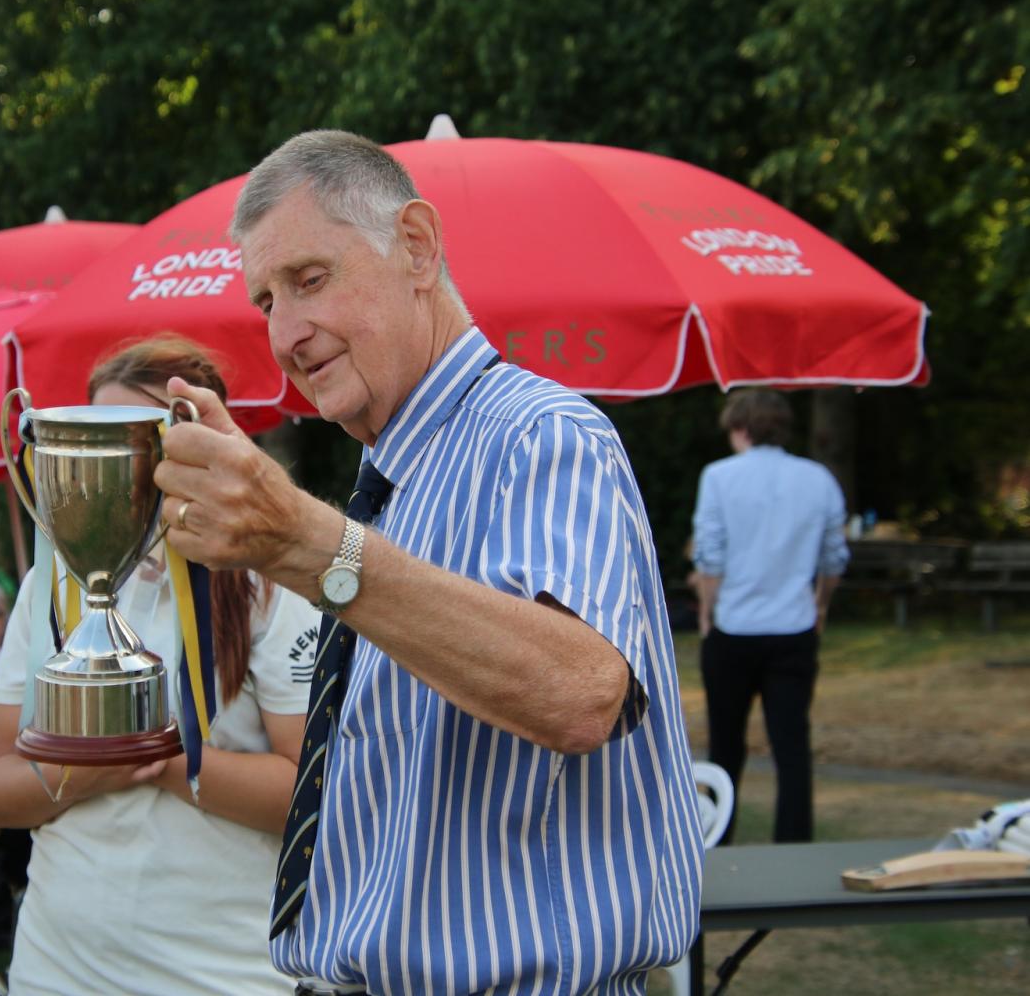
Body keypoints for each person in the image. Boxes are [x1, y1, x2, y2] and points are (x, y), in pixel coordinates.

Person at [149, 130, 705, 994]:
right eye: (265, 301)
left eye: (309, 279)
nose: (286, 334)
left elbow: (581, 692)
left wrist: (307, 543)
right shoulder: (392, 484)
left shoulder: (540, 434)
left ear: (415, 246)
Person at [0, 338, 318, 995]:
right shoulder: (52, 581)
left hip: (223, 973)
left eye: (140, 442)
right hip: (58, 966)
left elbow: (309, 797)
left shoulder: (267, 582)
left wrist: (160, 757)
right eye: (99, 443)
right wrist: (89, 770)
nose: (121, 470)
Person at [692, 389, 849, 844]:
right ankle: (794, 849)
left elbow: (710, 555)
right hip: (793, 627)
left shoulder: (719, 476)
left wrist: (706, 612)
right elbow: (834, 558)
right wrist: (820, 604)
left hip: (733, 628)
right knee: (792, 747)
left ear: (741, 428)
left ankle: (717, 844)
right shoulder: (818, 478)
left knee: (724, 745)